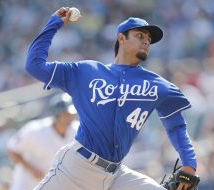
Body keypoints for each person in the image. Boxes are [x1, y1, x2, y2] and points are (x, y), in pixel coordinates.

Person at [25, 7, 198, 190]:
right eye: (140, 36)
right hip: (76, 168)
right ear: (121, 39)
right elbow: (34, 65)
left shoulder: (157, 85)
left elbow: (176, 126)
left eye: (149, 39)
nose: (147, 41)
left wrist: (190, 164)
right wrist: (55, 22)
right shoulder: (86, 71)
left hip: (116, 176)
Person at [7, 93, 78, 190]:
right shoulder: (34, 130)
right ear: (56, 115)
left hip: (52, 185)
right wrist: (32, 169)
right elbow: (12, 149)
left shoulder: (77, 130)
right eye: (66, 115)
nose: (70, 118)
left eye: (71, 114)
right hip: (27, 183)